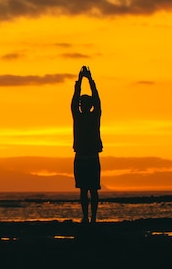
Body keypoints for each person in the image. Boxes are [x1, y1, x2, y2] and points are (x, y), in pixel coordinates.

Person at [71, 65, 102, 223]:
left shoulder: (94, 116)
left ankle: (93, 218)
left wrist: (88, 80)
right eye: (81, 104)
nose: (82, 105)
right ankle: (85, 217)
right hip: (82, 157)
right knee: (84, 190)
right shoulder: (78, 116)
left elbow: (96, 99)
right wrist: (80, 81)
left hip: (90, 157)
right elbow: (75, 100)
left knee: (93, 190)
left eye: (84, 103)